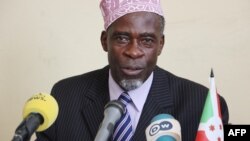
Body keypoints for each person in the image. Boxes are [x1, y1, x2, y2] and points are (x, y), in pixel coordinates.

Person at [36, 0, 229, 141]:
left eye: (147, 41)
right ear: (105, 41)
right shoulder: (65, 96)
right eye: (122, 38)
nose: (134, 52)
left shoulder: (203, 105)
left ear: (160, 44)